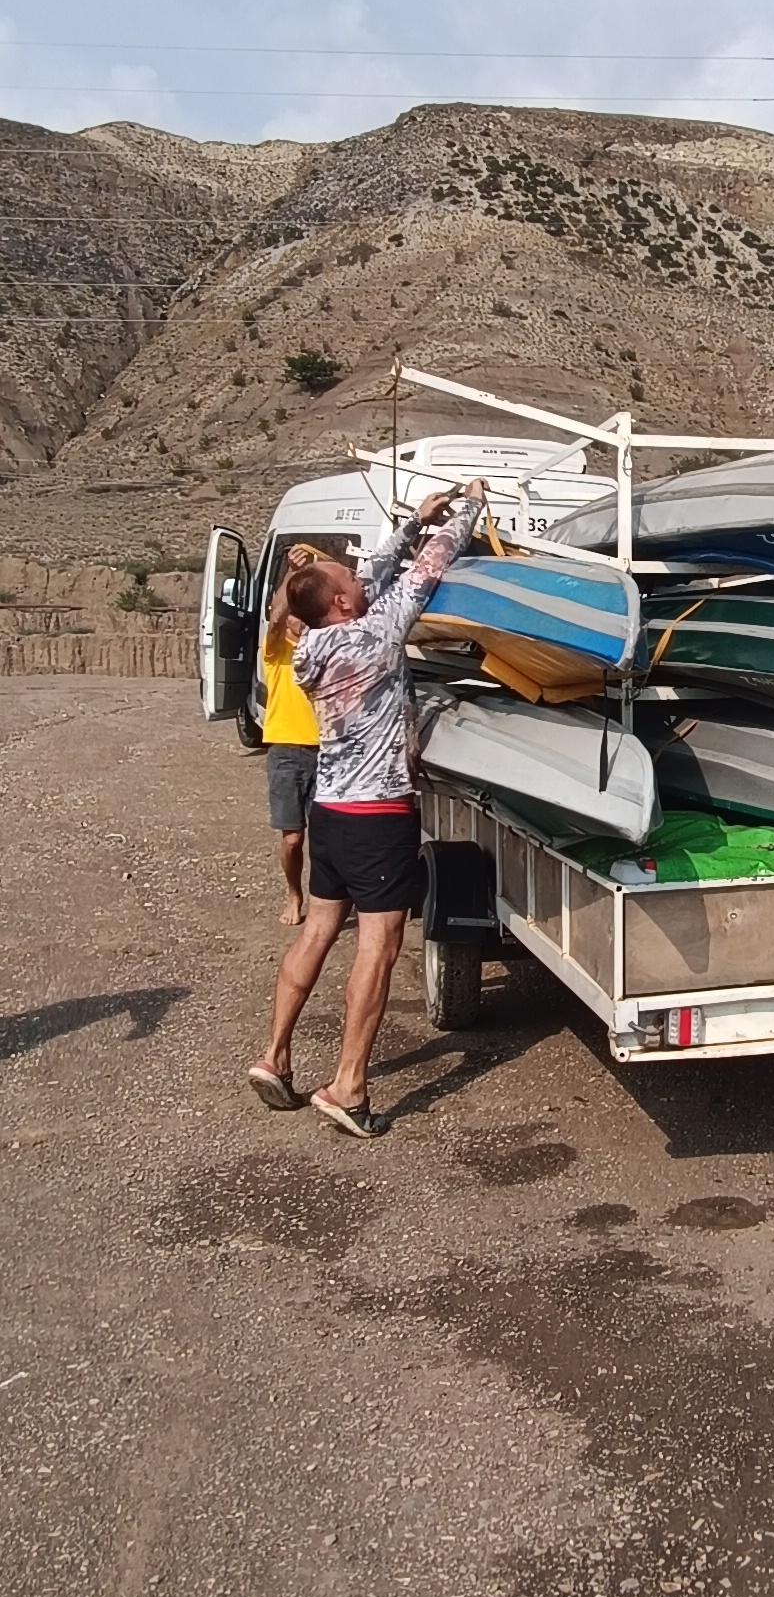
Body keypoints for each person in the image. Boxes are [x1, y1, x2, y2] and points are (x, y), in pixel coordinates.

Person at [247, 479, 486, 1134]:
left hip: (330, 813)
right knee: (377, 947)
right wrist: (468, 507)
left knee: (317, 930)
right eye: (341, 574)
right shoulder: (377, 635)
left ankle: (273, 1057)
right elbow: (427, 571)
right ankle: (349, 1086)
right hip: (378, 817)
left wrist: (413, 519)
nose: (353, 573)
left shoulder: (317, 644)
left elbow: (374, 575)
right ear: (344, 602)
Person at [260, 545, 321, 926]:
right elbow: (276, 618)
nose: (292, 619)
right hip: (285, 751)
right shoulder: (275, 652)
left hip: (326, 751)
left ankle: (325, 899)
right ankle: (294, 893)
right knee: (293, 839)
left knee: (329, 839)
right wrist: (290, 576)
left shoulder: (321, 647)